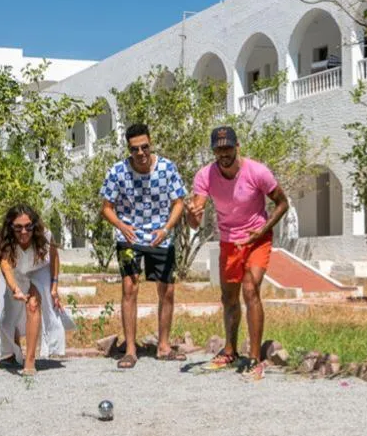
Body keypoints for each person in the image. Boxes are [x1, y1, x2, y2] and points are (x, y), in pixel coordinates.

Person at [187, 125, 290, 380]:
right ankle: (230, 351)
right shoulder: (205, 175)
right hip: (229, 241)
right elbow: (194, 221)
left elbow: (282, 203)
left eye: (228, 148)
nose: (224, 153)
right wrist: (192, 214)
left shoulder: (257, 171)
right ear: (213, 151)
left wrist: (263, 229)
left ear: (237, 147)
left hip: (257, 237)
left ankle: (255, 359)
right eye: (218, 149)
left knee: (250, 289)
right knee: (229, 297)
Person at [99, 122, 188, 369]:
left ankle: (164, 346)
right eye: (134, 149)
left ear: (151, 143)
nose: (140, 153)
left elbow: (179, 202)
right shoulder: (117, 171)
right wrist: (121, 226)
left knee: (167, 290)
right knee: (130, 287)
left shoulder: (167, 168)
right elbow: (106, 208)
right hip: (130, 237)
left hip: (160, 235)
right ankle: (130, 349)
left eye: (144, 147)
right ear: (128, 149)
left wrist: (166, 228)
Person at [0, 205, 75, 376]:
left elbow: (54, 257)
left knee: (33, 304)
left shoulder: (45, 235)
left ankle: (30, 361)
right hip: (15, 272)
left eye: (28, 226)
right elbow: (5, 265)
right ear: (11, 227)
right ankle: (14, 354)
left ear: (34, 225)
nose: (24, 232)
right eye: (18, 227)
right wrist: (15, 289)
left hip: (39, 269)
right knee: (9, 317)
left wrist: (54, 286)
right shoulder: (5, 239)